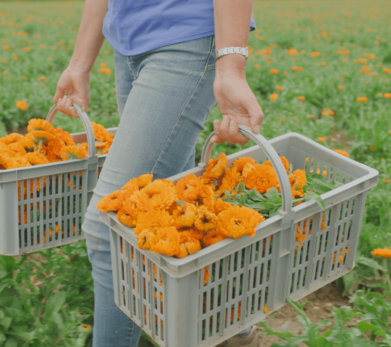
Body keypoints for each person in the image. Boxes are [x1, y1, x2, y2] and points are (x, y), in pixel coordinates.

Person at [53, 0, 263, 346]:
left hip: (187, 38)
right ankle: (231, 325)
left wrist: (231, 67)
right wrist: (79, 64)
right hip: (129, 43)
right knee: (175, 209)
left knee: (109, 228)